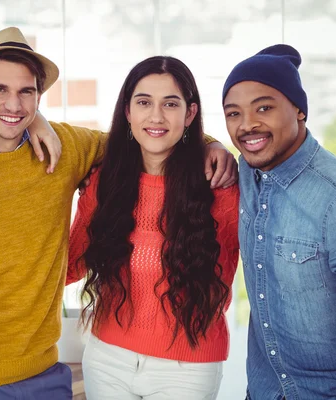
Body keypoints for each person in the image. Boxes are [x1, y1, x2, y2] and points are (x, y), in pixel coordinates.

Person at [0, 27, 238, 399]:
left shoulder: (65, 147)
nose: (14, 105)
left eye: (26, 92)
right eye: (0, 90)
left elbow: (149, 137)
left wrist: (212, 144)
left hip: (50, 370)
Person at [66, 56, 239, 400]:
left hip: (187, 368)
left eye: (170, 104)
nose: (156, 116)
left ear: (189, 114)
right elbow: (72, 266)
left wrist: (217, 146)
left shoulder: (220, 186)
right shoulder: (105, 181)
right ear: (128, 112)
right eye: (144, 102)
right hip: (106, 358)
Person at [222, 44, 336, 400]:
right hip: (265, 391)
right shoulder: (250, 173)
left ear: (299, 111)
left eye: (264, 107)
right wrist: (210, 147)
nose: (247, 124)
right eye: (233, 113)